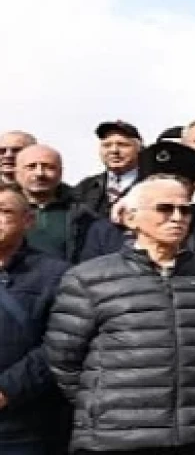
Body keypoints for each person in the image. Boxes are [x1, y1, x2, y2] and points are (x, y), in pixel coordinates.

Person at [45, 176, 195, 455]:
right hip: (116, 435)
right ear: (131, 218)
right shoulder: (89, 278)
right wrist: (104, 402)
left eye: (185, 210)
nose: (177, 218)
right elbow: (63, 357)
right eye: (164, 208)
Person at [80, 142, 195, 280]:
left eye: (178, 183)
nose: (168, 188)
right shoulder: (107, 231)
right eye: (158, 182)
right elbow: (91, 279)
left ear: (191, 190)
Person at [0, 183, 70, 455]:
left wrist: (7, 390)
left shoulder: (55, 275)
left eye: (4, 211)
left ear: (28, 220)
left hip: (24, 425)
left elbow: (60, 344)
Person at [72, 120, 142, 217]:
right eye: (107, 145)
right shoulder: (85, 187)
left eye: (122, 145)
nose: (114, 150)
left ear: (139, 149)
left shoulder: (153, 184)